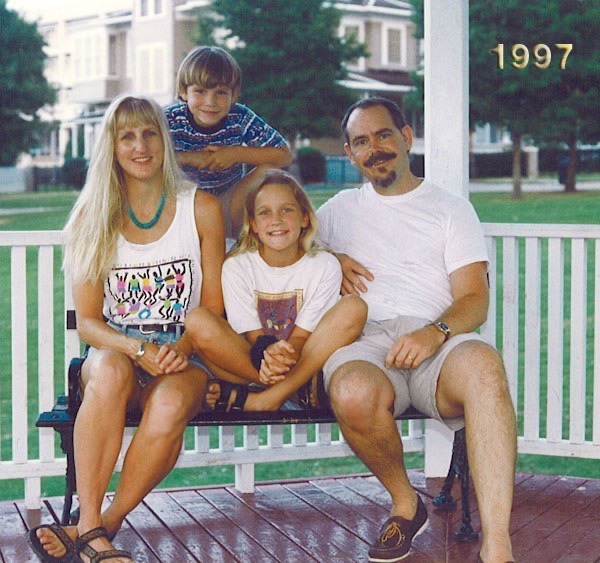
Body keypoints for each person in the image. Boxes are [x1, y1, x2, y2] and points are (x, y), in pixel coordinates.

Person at [316, 97, 517, 563]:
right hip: (363, 342)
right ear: (350, 153)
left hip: (437, 344)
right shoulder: (337, 210)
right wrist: (329, 258)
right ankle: (406, 502)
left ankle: (498, 546)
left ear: (406, 138)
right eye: (361, 142)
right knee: (349, 390)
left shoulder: (449, 208)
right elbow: (278, 238)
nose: (375, 149)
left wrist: (434, 332)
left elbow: (474, 298)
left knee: (485, 368)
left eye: (383, 135)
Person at [28, 94, 225, 563]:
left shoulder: (201, 208)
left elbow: (213, 305)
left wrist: (181, 346)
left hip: (185, 355)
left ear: (164, 141)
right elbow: (90, 325)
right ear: (111, 147)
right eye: (127, 136)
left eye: (150, 133)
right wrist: (138, 349)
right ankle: (93, 521)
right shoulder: (90, 221)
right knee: (112, 371)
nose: (140, 146)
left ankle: (97, 528)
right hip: (115, 353)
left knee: (173, 400)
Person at [185, 169, 367, 412]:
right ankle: (291, 390)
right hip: (254, 359)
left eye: (287, 210)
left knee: (355, 307)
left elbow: (301, 339)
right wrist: (271, 359)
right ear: (253, 225)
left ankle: (264, 397)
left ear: (305, 218)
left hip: (302, 355)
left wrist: (283, 358)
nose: (276, 220)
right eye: (264, 212)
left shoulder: (324, 265)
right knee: (197, 320)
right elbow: (256, 340)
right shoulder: (237, 267)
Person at [165, 46, 293, 239]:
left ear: (234, 94)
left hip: (228, 205)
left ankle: (234, 239)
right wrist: (188, 158)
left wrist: (235, 154)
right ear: (184, 92)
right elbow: (148, 157)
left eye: (221, 93)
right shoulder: (169, 120)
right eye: (200, 91)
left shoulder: (239, 116)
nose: (210, 101)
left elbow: (284, 154)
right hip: (183, 209)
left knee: (268, 170)